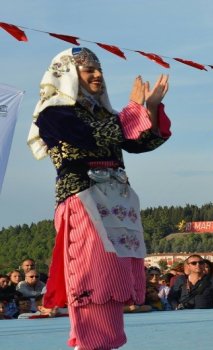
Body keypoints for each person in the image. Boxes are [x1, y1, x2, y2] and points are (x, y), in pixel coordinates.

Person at [28, 47, 171, 349]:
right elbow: (89, 135)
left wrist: (152, 108)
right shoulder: (53, 112)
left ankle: (103, 344)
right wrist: (134, 110)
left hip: (116, 203)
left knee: (113, 279)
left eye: (99, 69)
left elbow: (140, 142)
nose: (97, 75)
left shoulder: (103, 114)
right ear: (67, 74)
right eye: (88, 70)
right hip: (84, 200)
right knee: (93, 277)